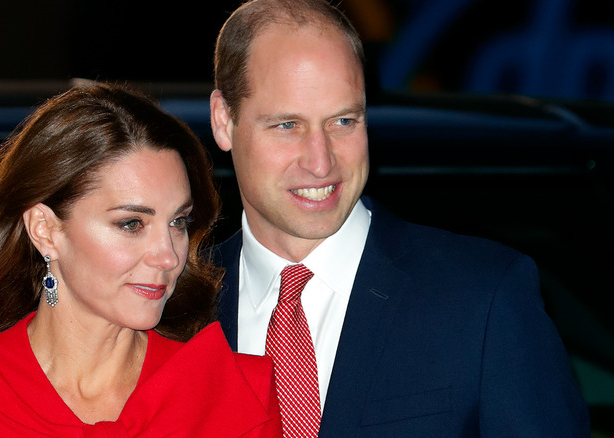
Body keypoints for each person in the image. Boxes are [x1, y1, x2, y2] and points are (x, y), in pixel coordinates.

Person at [208, 0, 590, 436]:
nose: (320, 162)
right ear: (224, 120)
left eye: (343, 121)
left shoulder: (484, 299)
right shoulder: (169, 306)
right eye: (287, 125)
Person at [0, 82, 282, 437]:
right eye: (131, 223)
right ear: (45, 230)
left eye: (177, 222)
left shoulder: (234, 392)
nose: (168, 256)